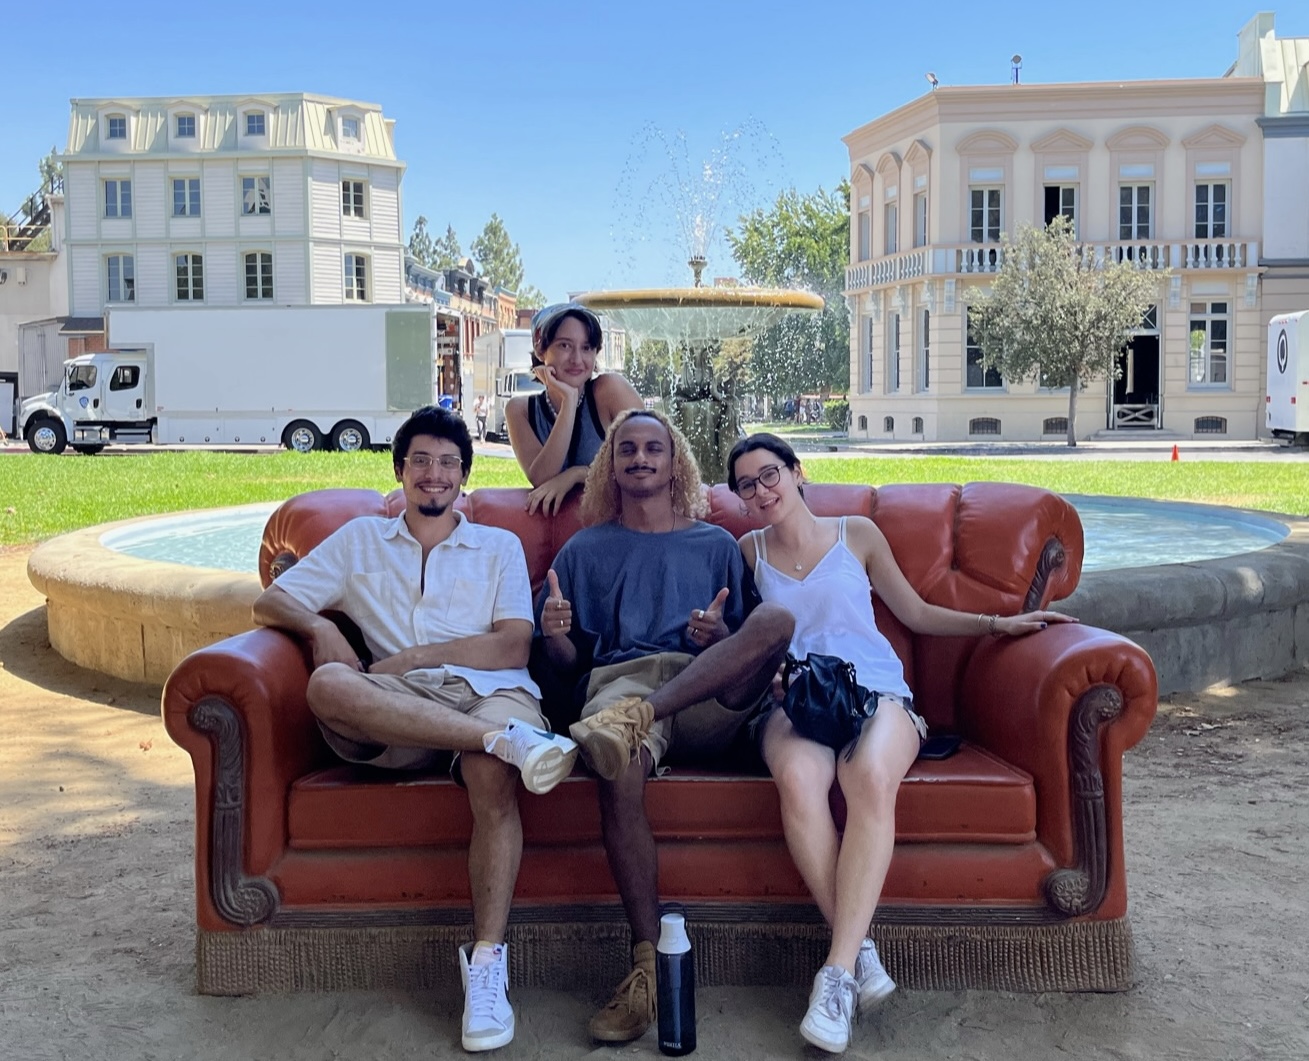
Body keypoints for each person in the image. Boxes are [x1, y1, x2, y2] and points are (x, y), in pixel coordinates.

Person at [727, 433, 1075, 1055]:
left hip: (877, 689)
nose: (761, 490)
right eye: (747, 484)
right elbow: (742, 642)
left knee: (867, 781)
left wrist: (999, 624)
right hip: (798, 701)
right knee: (801, 780)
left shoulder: (856, 534)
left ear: (797, 472)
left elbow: (914, 614)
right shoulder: (746, 551)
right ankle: (858, 951)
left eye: (770, 474)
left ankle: (833, 979)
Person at [251, 404, 578, 1055]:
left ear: (464, 474)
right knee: (326, 685)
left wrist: (422, 656)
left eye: (448, 463)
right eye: (421, 462)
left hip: (490, 691)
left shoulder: (496, 546)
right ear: (400, 469)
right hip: (397, 707)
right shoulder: (359, 540)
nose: (434, 475)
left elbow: (513, 646)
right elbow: (270, 599)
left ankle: (486, 965)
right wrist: (317, 627)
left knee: (491, 775)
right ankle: (502, 741)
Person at [538, 409, 793, 1044]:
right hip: (620, 685)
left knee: (776, 622)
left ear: (676, 461)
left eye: (655, 448)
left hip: (701, 687)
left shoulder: (714, 544)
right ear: (611, 465)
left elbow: (752, 651)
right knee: (618, 761)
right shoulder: (583, 550)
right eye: (628, 449)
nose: (642, 458)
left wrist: (722, 636)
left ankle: (637, 720)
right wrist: (558, 637)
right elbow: (566, 673)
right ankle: (646, 966)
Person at [505, 302, 643, 516]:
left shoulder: (609, 390)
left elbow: (653, 464)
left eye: (586, 348)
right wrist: (568, 401)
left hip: (623, 523)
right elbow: (542, 477)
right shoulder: (520, 410)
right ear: (541, 350)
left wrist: (578, 474)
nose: (577, 359)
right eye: (565, 346)